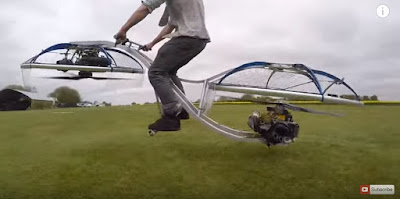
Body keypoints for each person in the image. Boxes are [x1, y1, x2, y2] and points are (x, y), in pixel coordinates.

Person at [114, 0, 210, 131]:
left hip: (187, 37)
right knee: (169, 72)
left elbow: (145, 8)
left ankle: (171, 116)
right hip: (199, 41)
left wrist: (123, 30)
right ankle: (182, 109)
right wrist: (152, 44)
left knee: (156, 72)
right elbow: (171, 25)